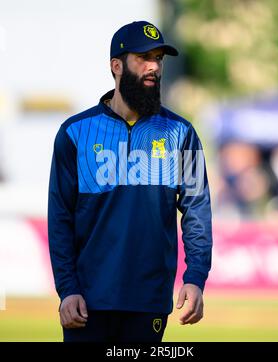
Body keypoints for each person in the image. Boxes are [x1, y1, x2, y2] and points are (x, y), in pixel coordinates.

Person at [48, 20, 213, 342]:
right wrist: (67, 290)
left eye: (159, 59)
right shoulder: (74, 133)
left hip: (148, 301)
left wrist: (195, 277)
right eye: (143, 57)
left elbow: (198, 212)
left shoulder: (183, 133)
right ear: (116, 65)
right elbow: (60, 217)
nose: (154, 67)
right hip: (87, 302)